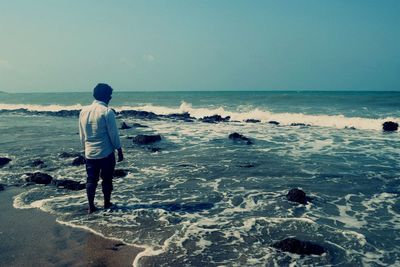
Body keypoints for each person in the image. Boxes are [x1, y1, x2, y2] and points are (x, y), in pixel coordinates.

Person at [79, 83, 124, 213]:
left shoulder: (83, 111)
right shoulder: (107, 112)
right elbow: (113, 134)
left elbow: (82, 134)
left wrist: (85, 149)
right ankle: (106, 203)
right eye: (110, 95)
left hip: (90, 152)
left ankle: (91, 206)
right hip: (106, 152)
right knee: (107, 179)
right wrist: (119, 149)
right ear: (106, 96)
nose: (110, 98)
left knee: (91, 178)